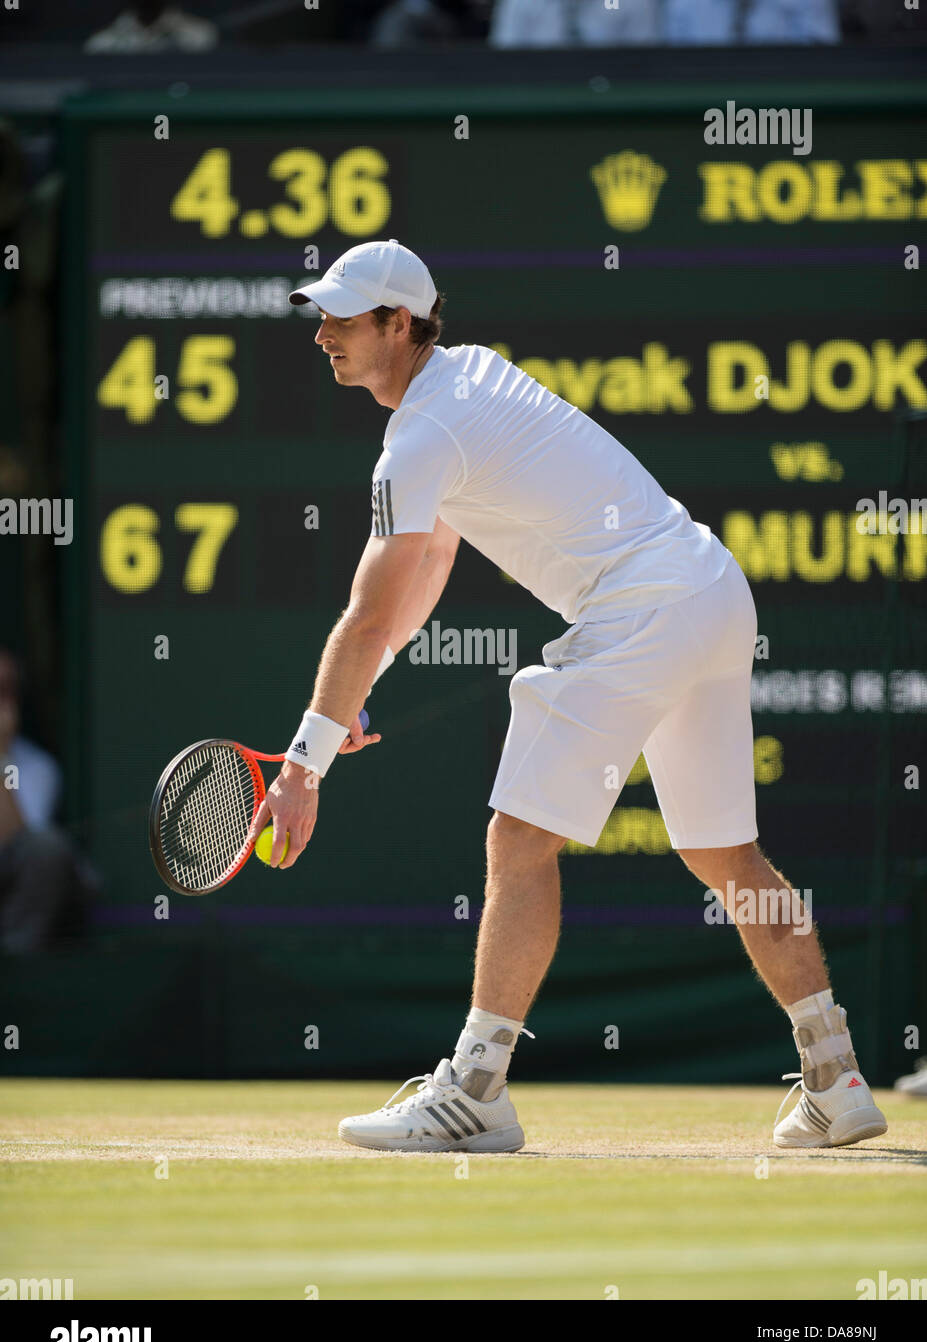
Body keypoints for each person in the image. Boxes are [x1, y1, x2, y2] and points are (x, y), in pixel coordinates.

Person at [249, 240, 887, 1153]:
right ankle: (836, 1076)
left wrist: (303, 765)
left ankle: (474, 1088)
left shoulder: (424, 432)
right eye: (320, 317)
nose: (323, 336)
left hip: (643, 610)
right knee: (725, 854)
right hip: (710, 589)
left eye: (343, 319)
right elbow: (428, 562)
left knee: (518, 838)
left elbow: (365, 610)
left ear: (400, 324)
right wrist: (361, 694)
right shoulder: (470, 382)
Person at [0, 650, 93, 953]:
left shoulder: (38, 768)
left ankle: (14, 965)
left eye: (4, 690)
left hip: (12, 902)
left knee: (47, 848)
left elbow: (19, 844)